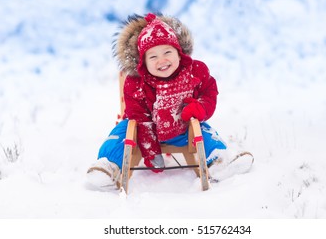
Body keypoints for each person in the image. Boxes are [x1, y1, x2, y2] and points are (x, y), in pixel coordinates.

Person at [86, 13, 253, 189]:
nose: (162, 60)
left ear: (179, 54)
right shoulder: (137, 84)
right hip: (143, 131)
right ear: (143, 63)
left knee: (205, 132)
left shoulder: (194, 71)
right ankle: (108, 166)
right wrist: (151, 152)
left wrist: (200, 108)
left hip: (182, 131)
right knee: (121, 133)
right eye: (153, 57)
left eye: (167, 52)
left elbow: (209, 91)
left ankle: (220, 161)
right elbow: (140, 117)